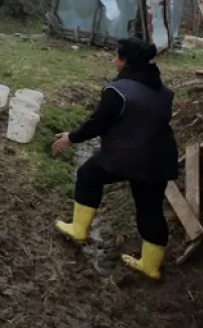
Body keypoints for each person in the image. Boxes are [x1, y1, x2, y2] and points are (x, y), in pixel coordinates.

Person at [50, 37, 179, 280]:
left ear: (125, 61)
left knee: (88, 175)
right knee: (150, 209)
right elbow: (144, 122)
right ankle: (151, 266)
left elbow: (97, 123)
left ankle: (79, 229)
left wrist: (71, 137)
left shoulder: (117, 91)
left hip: (129, 158)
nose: (113, 60)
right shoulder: (163, 92)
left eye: (116, 56)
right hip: (159, 160)